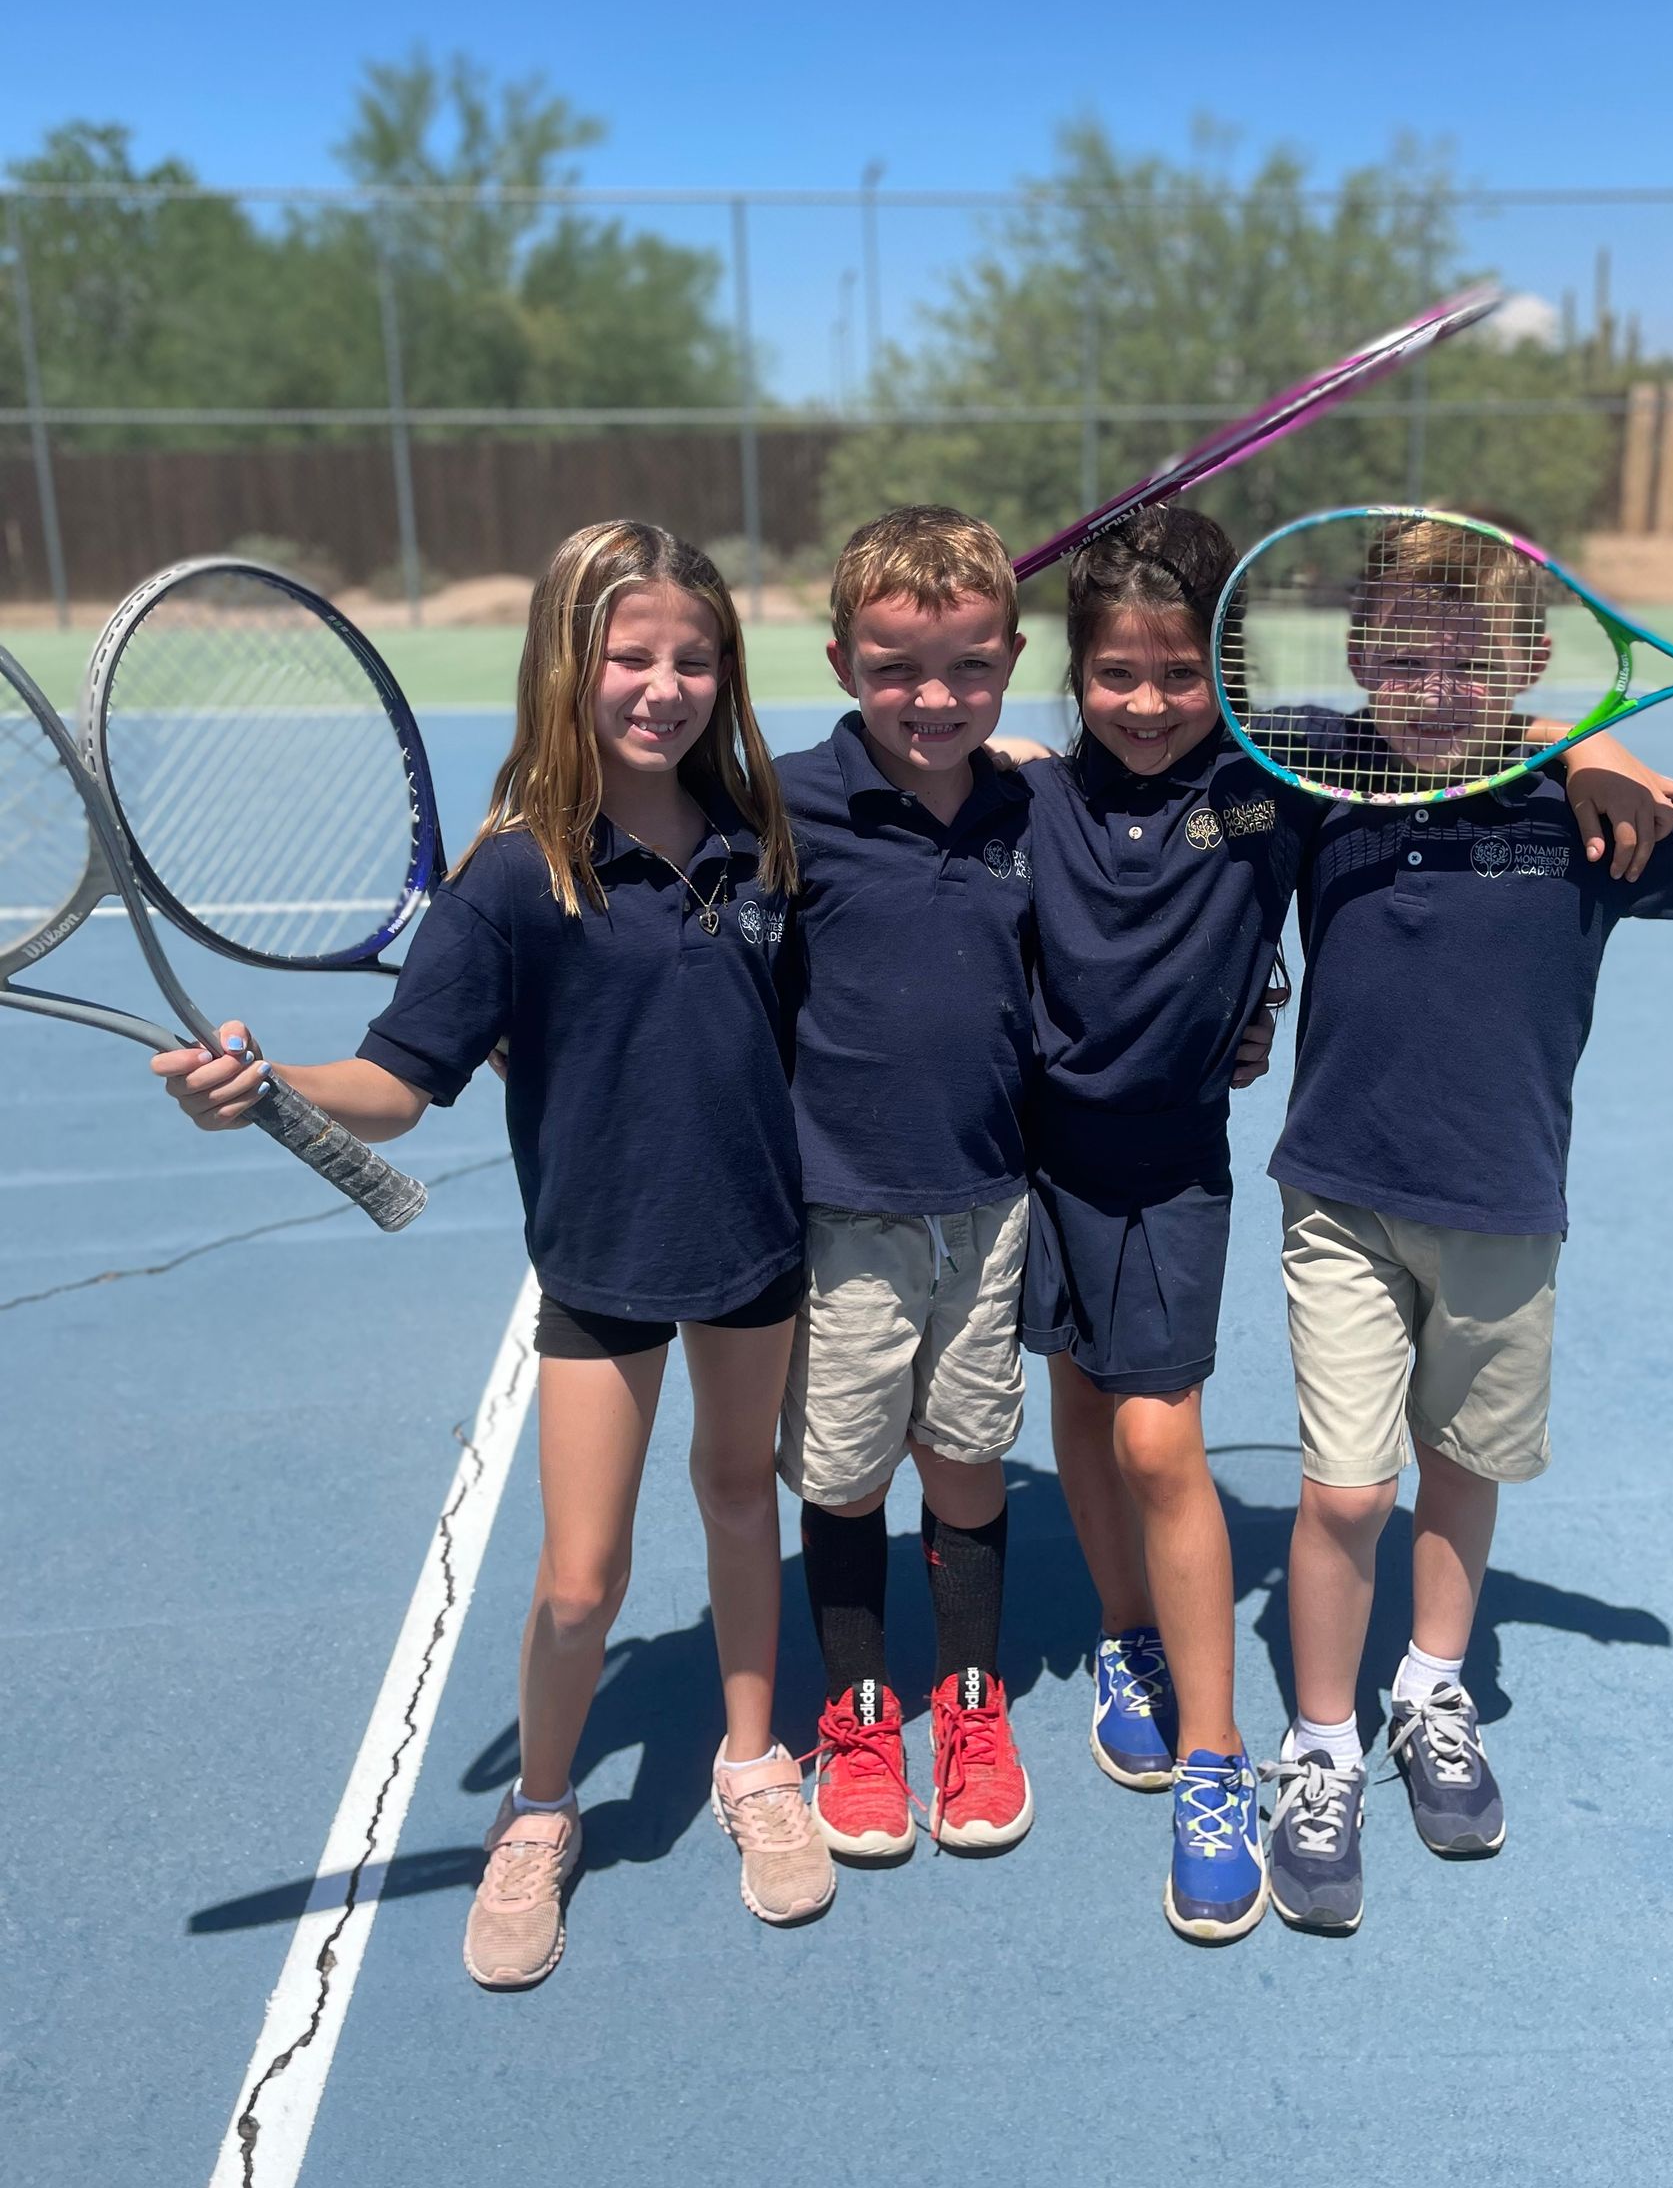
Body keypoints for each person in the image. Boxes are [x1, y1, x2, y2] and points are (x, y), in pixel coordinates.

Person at [151, 519, 835, 1986]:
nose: (665, 684)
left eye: (694, 656)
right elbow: (397, 1084)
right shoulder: (516, 877)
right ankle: (541, 1810)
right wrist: (265, 1091)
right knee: (580, 1581)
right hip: (599, 1260)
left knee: (737, 1494)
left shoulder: (761, 831)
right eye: (630, 654)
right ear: (565, 665)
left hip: (758, 1246)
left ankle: (755, 1756)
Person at [1025, 505, 1673, 1942]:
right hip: (1040, 1152)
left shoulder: (1284, 773)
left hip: (1209, 1167)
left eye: (1180, 674)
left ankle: (1317, 1727)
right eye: (1114, 675)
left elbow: (1437, 719)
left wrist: (1585, 739)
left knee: (1226, 1446)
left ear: (1229, 676)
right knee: (1078, 1406)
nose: (1149, 702)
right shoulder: (1186, 778)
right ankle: (1145, 1640)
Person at [1263, 520, 1673, 1936]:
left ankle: (1426, 1688)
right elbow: (1151, 740)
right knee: (1347, 1492)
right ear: (1359, 659)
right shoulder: (1315, 772)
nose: (1431, 683)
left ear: (1531, 661)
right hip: (1339, 1204)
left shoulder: (1593, 812)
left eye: (1472, 660)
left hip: (1506, 1208)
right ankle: (1322, 1748)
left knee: (1462, 1465)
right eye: (1401, 655)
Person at [774, 507, 1046, 1859]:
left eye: (967, 671)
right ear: (840, 663)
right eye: (896, 670)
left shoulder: (1029, 802)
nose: (933, 700)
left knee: (969, 1460)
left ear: (1010, 659)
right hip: (842, 1216)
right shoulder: (783, 804)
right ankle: (862, 1711)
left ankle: (973, 1701)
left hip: (991, 1205)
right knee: (842, 1480)